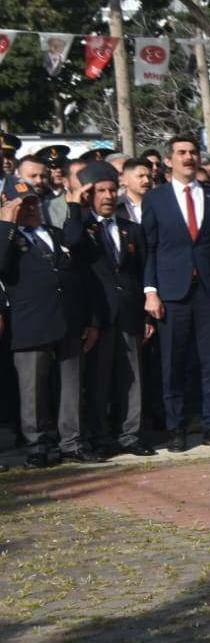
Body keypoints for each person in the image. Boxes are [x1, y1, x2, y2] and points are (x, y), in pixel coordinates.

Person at [0, 177, 103, 467]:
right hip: (31, 324)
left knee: (71, 386)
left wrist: (91, 319)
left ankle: (71, 442)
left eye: (33, 202)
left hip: (69, 320)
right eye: (22, 204)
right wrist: (6, 224)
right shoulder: (7, 237)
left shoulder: (54, 234)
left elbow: (82, 271)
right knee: (33, 391)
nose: (30, 208)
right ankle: (38, 445)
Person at [143, 135, 210, 452]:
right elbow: (150, 248)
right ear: (168, 160)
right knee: (173, 364)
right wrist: (150, 290)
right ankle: (176, 429)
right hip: (172, 292)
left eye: (193, 152)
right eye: (181, 153)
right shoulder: (156, 199)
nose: (188, 157)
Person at [78, 162, 156, 457]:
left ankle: (131, 435)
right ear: (90, 194)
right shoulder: (82, 228)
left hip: (130, 313)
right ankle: (100, 436)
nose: (109, 196)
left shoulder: (131, 230)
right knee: (99, 380)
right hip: (99, 316)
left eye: (112, 190)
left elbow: (143, 271)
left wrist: (147, 313)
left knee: (132, 378)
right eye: (101, 191)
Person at [119, 158, 152, 224]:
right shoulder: (117, 206)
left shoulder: (159, 204)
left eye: (149, 177)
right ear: (125, 180)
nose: (147, 181)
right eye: (141, 176)